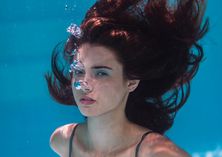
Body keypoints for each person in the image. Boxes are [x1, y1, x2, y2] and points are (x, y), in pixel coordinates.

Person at [45, 0, 209, 156]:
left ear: (131, 82)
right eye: (79, 71)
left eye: (101, 73)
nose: (84, 84)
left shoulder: (157, 153)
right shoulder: (63, 140)